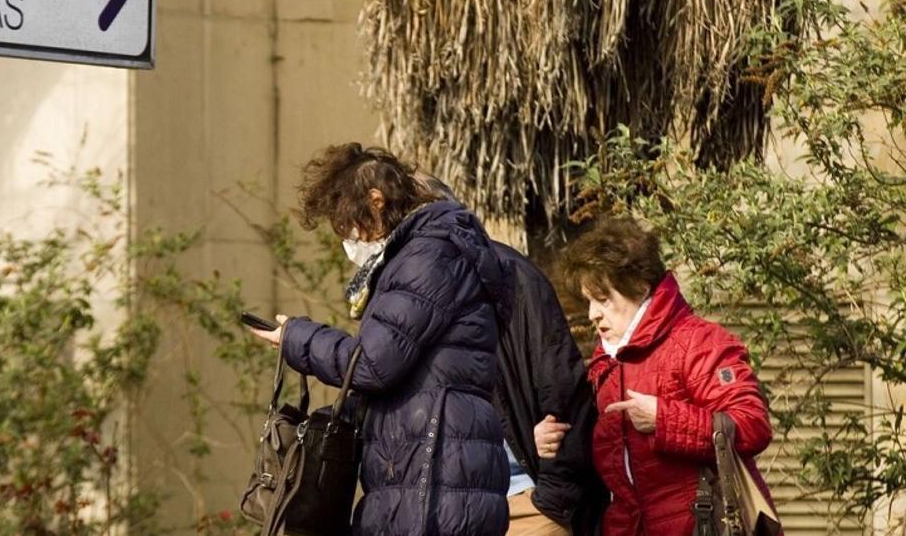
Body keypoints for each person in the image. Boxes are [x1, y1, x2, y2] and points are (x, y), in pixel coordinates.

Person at [250, 143, 511, 536]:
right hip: (427, 461)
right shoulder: (422, 253)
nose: (350, 240)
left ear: (376, 201)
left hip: (434, 473)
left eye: (350, 226)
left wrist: (298, 338)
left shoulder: (427, 255)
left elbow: (373, 363)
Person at [538, 217, 777, 535]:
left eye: (603, 299)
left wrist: (664, 419)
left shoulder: (699, 342)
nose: (594, 313)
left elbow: (752, 425)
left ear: (638, 286)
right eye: (589, 301)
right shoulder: (604, 368)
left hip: (703, 526)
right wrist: (552, 440)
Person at [415, 174, 606, 536]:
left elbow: (562, 389)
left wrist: (551, 500)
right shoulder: (410, 302)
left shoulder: (509, 277)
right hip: (448, 512)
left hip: (522, 502)